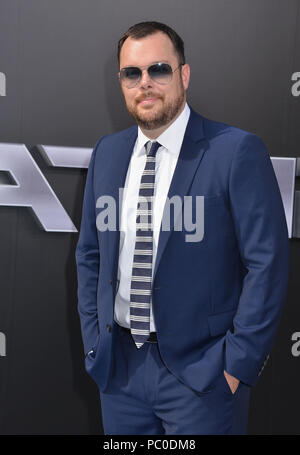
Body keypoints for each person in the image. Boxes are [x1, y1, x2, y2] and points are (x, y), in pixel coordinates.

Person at [75, 21, 290, 435]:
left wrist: (235, 364)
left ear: (183, 75)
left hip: (203, 377)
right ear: (121, 81)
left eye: (159, 69)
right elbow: (90, 255)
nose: (145, 84)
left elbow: (268, 263)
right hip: (120, 372)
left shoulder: (235, 151)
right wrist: (95, 343)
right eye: (132, 73)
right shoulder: (108, 152)